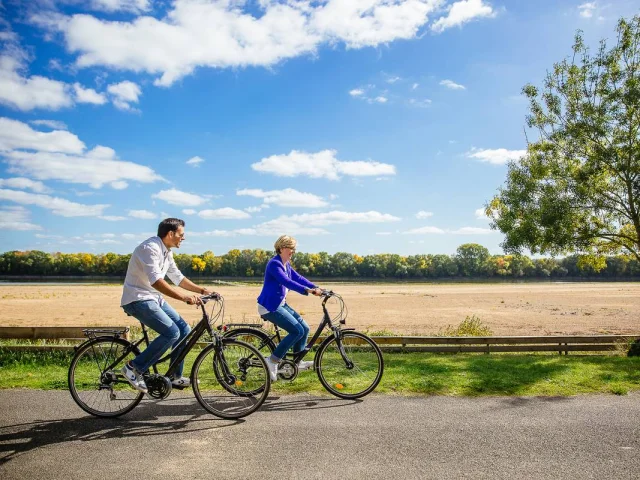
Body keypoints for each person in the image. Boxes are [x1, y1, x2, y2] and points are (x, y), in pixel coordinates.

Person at [120, 218, 216, 393]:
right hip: (138, 298)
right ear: (170, 234)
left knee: (184, 330)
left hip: (153, 298)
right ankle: (134, 367)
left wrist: (202, 290)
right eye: (181, 234)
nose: (183, 238)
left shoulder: (167, 252)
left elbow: (177, 277)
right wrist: (184, 297)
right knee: (172, 332)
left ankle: (174, 376)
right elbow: (156, 281)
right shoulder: (150, 249)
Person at [257, 235, 323, 381]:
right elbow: (286, 281)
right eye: (290, 248)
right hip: (269, 306)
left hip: (280, 304)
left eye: (294, 248)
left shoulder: (285, 264)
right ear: (281, 248)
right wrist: (308, 290)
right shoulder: (274, 264)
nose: (293, 251)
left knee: (304, 328)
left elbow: (298, 278)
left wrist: (316, 287)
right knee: (296, 330)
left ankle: (297, 362)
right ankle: (272, 361)